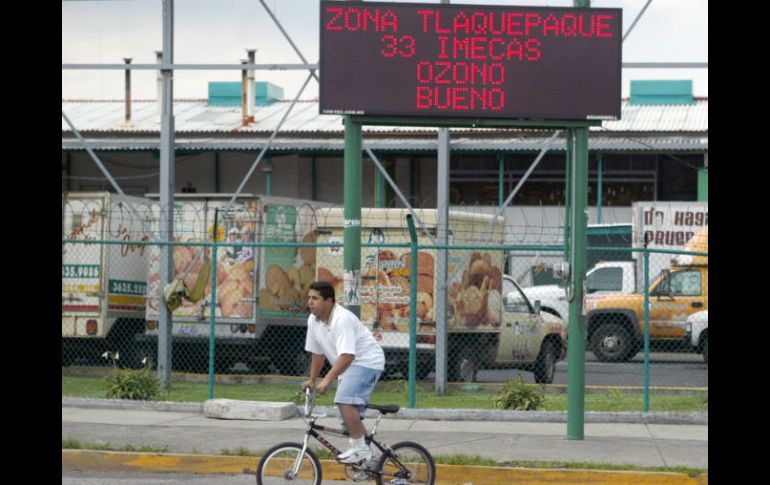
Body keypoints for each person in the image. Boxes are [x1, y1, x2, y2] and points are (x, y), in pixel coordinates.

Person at [302, 281, 385, 464]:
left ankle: (359, 448)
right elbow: (318, 352)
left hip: (366, 361)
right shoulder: (313, 320)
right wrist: (312, 379)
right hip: (350, 366)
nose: (310, 302)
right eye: (309, 298)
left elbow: (347, 355)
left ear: (329, 301)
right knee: (347, 419)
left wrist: (327, 380)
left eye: (315, 298)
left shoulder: (342, 319)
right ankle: (372, 458)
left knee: (343, 400)